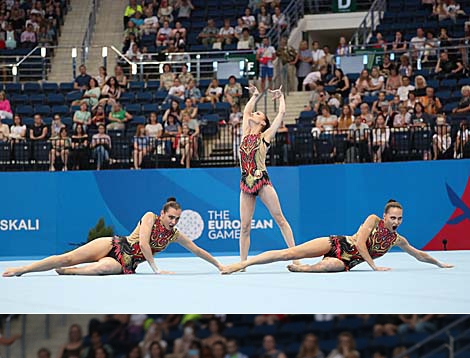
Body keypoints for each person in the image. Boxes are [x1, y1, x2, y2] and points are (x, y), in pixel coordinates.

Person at [4, 200, 226, 280]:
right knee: (67, 257)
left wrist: (220, 265)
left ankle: (72, 272)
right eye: (171, 217)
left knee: (101, 269)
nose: (174, 222)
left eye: (177, 219)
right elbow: (145, 244)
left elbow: (197, 250)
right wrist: (156, 269)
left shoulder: (174, 235)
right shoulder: (150, 217)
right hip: (115, 244)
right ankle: (22, 269)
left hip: (125, 264)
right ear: (162, 213)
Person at [260, 195, 453, 276]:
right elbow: (361, 244)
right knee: (290, 253)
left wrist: (439, 263)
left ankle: (305, 270)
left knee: (329, 266)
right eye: (393, 217)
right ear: (385, 216)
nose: (396, 222)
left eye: (399, 219)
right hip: (338, 243)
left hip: (347, 262)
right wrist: (374, 266)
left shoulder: (396, 240)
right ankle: (242, 264)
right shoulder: (373, 220)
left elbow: (419, 254)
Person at [237, 87, 294, 264]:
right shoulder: (245, 133)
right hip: (246, 184)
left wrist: (281, 97)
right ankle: (243, 263)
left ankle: (295, 257)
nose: (253, 113)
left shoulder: (265, 136)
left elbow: (282, 113)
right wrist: (254, 96)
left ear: (262, 122)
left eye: (258, 113)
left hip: (262, 182)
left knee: (280, 219)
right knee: (245, 227)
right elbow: (246, 111)